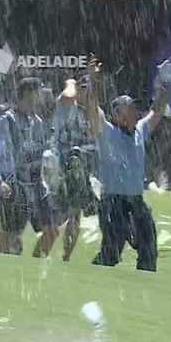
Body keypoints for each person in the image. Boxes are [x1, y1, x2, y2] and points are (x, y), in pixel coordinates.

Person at [83, 55, 171, 272]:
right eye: (130, 109)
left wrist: (165, 84)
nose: (135, 112)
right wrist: (93, 83)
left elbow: (157, 111)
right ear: (118, 114)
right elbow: (91, 109)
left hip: (136, 202)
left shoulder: (140, 130)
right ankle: (93, 281)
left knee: (148, 251)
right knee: (111, 253)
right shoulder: (106, 131)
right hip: (113, 203)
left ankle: (144, 292)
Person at [0, 77, 58, 257]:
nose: (43, 96)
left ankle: (35, 269)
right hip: (15, 185)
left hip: (36, 184)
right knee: (11, 236)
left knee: (51, 231)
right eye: (39, 91)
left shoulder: (38, 122)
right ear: (29, 94)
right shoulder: (7, 121)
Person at [50, 76, 99, 261]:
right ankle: (43, 249)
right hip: (59, 166)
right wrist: (71, 82)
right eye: (84, 88)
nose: (87, 92)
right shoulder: (65, 105)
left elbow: (93, 134)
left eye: (89, 89)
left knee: (75, 214)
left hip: (78, 169)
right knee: (58, 216)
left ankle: (66, 257)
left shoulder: (88, 112)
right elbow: (68, 94)